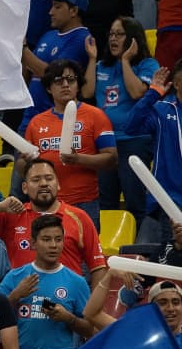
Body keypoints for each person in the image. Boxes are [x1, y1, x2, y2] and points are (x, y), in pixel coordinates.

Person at [0, 214, 96, 349]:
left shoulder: (76, 282)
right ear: (33, 243)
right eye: (46, 239)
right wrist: (15, 296)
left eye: (58, 240)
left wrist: (68, 318)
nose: (53, 245)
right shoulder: (15, 277)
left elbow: (89, 330)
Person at [0, 159, 108, 282]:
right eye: (36, 179)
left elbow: (98, 267)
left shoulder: (79, 217)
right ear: (25, 188)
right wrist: (0, 206)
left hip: (67, 305)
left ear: (58, 184)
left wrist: (91, 309)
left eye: (49, 178)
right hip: (23, 307)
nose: (43, 184)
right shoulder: (12, 215)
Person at [22, 58, 118, 226]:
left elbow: (111, 159)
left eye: (71, 80)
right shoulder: (36, 123)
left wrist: (78, 159)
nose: (65, 84)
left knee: (85, 251)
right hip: (45, 202)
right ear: (48, 88)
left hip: (84, 203)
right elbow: (21, 168)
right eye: (58, 81)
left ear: (78, 85)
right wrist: (25, 160)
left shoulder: (96, 115)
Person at [83, 17, 158, 223]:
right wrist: (91, 59)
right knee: (106, 201)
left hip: (134, 140)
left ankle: (139, 251)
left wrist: (125, 61)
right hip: (105, 143)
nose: (113, 39)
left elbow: (136, 92)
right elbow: (87, 91)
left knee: (135, 200)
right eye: (111, 34)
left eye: (119, 34)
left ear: (133, 38)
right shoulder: (102, 66)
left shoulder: (147, 64)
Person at [20, 0, 94, 131]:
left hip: (56, 123)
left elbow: (54, 74)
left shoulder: (82, 38)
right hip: (30, 119)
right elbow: (27, 73)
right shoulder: (48, 35)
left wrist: (22, 48)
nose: (50, 12)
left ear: (73, 11)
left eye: (57, 7)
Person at [126, 61, 182, 246]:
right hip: (169, 202)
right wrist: (153, 93)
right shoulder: (163, 110)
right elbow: (131, 127)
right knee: (172, 263)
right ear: (176, 82)